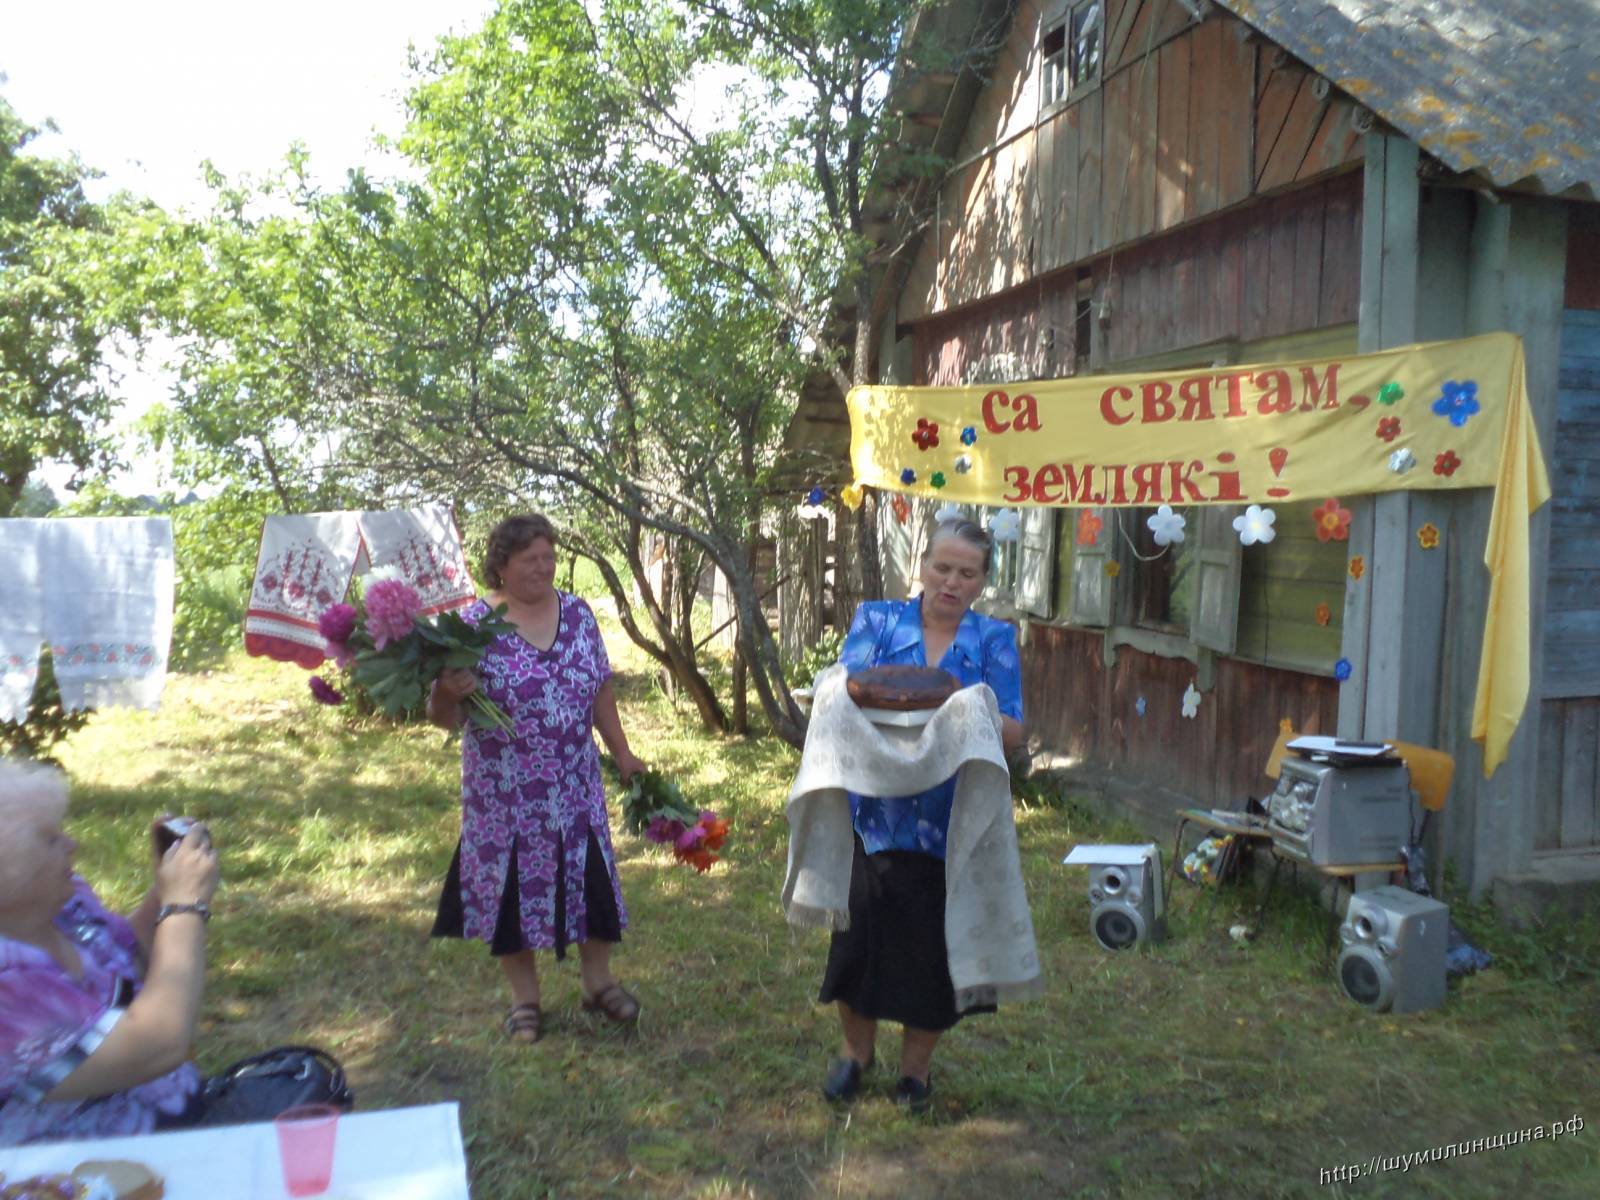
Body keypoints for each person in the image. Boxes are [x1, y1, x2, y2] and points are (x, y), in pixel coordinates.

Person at [817, 518, 1025, 1112]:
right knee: (858, 943)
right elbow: (843, 690)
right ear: (922, 565)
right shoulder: (879, 621)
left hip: (950, 820)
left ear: (983, 581)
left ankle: (916, 1074)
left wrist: (964, 708)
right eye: (943, 567)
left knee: (932, 952)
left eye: (967, 573)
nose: (952, 582)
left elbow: (1012, 728)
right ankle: (855, 1055)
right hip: (873, 813)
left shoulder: (993, 640)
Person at [429, 514, 647, 1043]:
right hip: (506, 793)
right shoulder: (472, 626)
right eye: (530, 559)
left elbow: (600, 688)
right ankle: (524, 1000)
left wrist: (622, 752)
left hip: (575, 785)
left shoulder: (578, 614)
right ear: (501, 565)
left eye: (549, 557)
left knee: (589, 880)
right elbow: (441, 718)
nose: (543, 568)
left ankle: (598, 983)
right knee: (512, 892)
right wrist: (447, 692)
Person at [0, 759, 220, 1145]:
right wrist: (184, 905)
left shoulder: (64, 905)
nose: (72, 845)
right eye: (51, 840)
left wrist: (163, 893)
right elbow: (158, 1045)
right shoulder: (9, 992)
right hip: (89, 1168)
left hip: (180, 1128)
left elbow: (131, 960)